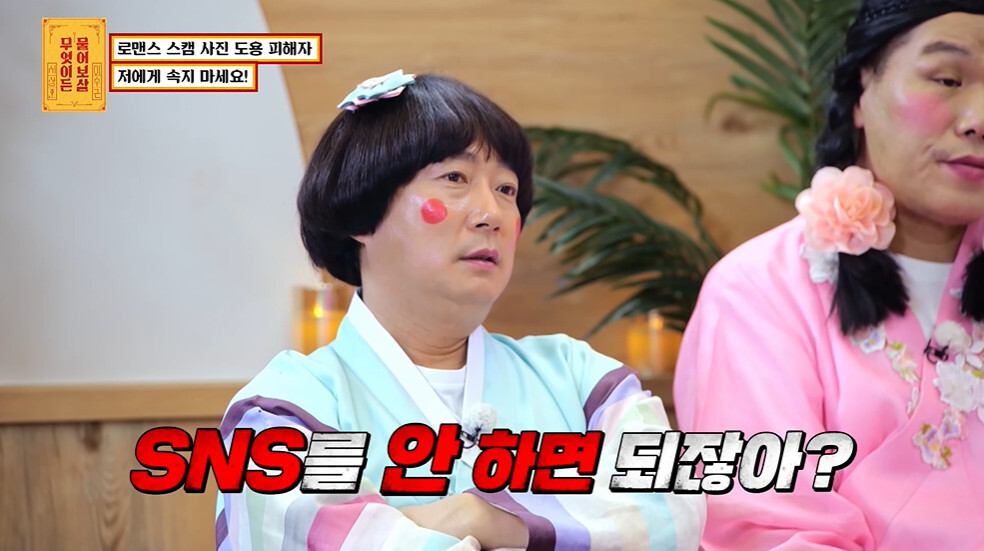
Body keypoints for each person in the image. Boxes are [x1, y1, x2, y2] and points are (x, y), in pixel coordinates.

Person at [215, 70, 704, 551]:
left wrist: (489, 520)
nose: (491, 214)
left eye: (506, 189)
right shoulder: (286, 409)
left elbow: (673, 510)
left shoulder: (582, 380)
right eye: (455, 178)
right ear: (362, 211)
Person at [674, 0, 984, 549]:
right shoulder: (759, 289)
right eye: (946, 79)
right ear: (863, 90)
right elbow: (766, 526)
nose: (978, 118)